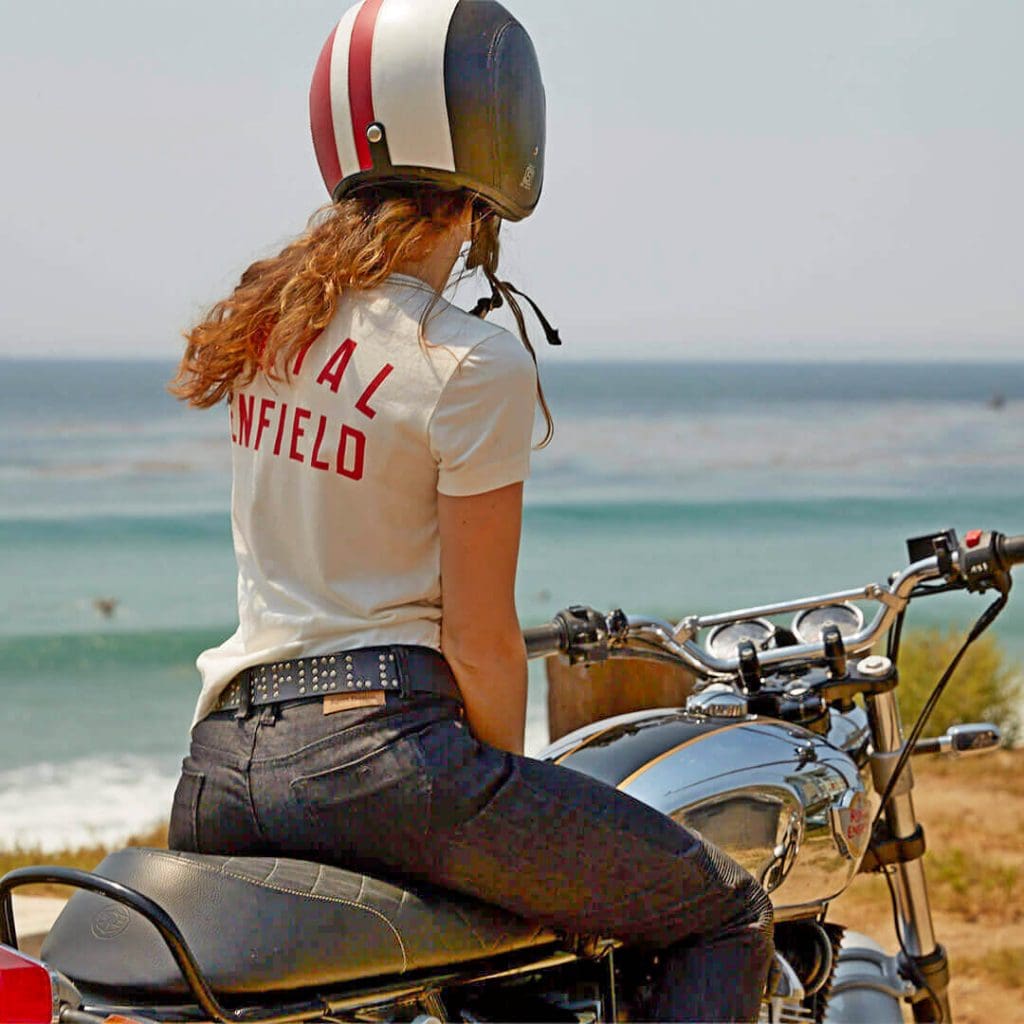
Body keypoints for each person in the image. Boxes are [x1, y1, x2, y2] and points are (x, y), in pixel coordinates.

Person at [167, 1, 773, 1019]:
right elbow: (482, 638)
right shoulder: (467, 360)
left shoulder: (268, 327)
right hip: (384, 760)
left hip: (223, 767)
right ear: (499, 153)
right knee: (723, 911)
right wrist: (507, 792)